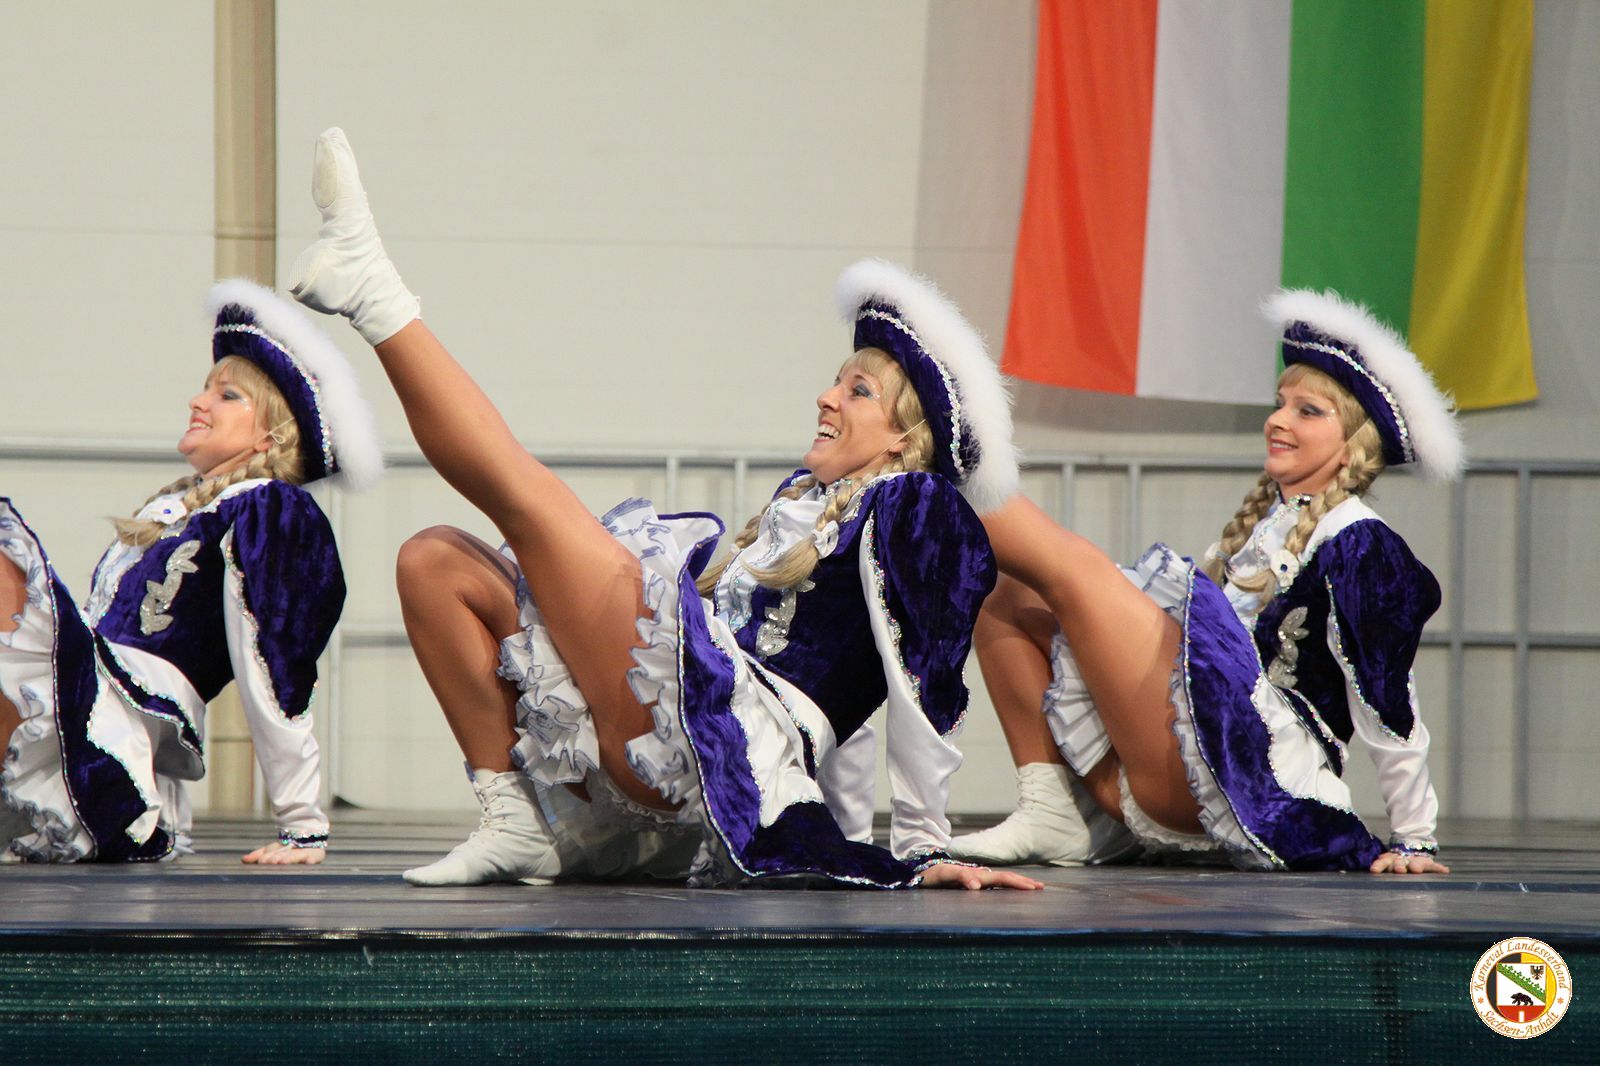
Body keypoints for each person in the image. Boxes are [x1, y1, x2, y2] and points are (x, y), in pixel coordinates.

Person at [288, 127, 1039, 890]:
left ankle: (374, 291)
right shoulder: (812, 501)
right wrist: (840, 829)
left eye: (858, 390)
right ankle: (514, 822)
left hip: (720, 736)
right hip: (670, 729)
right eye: (835, 380)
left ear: (903, 436)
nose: (826, 396)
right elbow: (851, 694)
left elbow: (916, 680)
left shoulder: (918, 505)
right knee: (434, 562)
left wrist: (919, 847)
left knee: (528, 499)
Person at [946, 290, 1460, 874]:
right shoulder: (1270, 525)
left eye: (1308, 412)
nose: (1278, 420)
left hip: (1252, 778)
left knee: (1077, 571)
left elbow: (1387, 698)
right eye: (1280, 404)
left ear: (1354, 445)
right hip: (1167, 772)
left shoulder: (1361, 542)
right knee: (1006, 590)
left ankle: (939, 447)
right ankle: (1055, 811)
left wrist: (1414, 836)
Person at [0, 280, 381, 864]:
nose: (198, 402)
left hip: (116, 742)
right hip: (88, 710)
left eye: (227, 394)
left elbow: (275, 662)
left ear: (272, 432)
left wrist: (302, 822)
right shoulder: (176, 508)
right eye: (206, 389)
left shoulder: (269, 508)